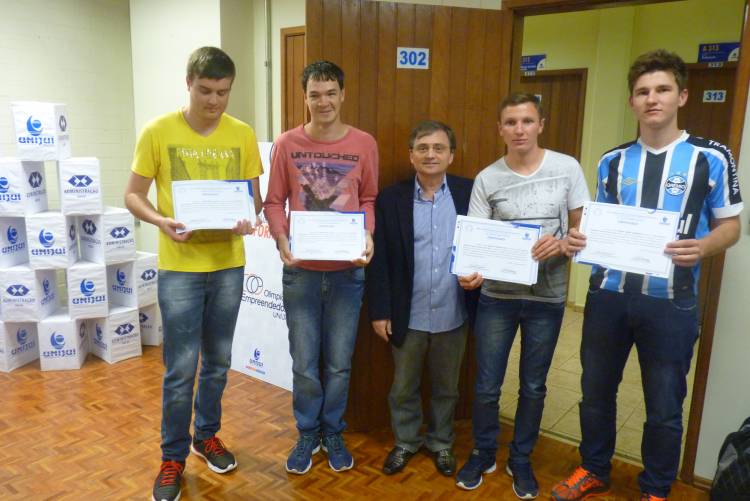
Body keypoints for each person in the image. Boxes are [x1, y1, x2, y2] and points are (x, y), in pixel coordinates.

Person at [551, 49, 742, 501]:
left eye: (662, 89)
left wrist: (704, 247)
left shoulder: (711, 157)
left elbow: (731, 225)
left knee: (664, 403)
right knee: (596, 391)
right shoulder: (612, 161)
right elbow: (598, 225)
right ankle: (593, 467)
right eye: (642, 92)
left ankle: (655, 488)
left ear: (682, 96)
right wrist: (579, 239)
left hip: (671, 302)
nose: (652, 99)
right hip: (608, 297)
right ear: (632, 102)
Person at [124, 46, 263, 501]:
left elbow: (254, 200)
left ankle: (206, 436)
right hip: (180, 269)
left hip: (228, 266)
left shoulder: (242, 134)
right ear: (189, 84)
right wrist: (160, 220)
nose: (214, 101)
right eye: (205, 90)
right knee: (180, 369)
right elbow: (132, 195)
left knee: (218, 363)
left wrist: (249, 218)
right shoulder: (158, 131)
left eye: (223, 92)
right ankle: (172, 457)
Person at [455, 93, 590, 499]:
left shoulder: (567, 169)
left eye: (527, 121)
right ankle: (483, 452)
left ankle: (521, 458)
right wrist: (471, 272)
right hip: (497, 297)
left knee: (533, 386)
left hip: (546, 300)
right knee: (486, 385)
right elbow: (477, 242)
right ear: (500, 129)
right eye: (511, 122)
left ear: (540, 125)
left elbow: (583, 233)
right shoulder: (488, 178)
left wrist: (562, 244)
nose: (519, 129)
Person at [264, 60, 378, 475]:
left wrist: (368, 234)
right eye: (315, 94)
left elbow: (369, 199)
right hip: (302, 272)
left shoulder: (364, 143)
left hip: (348, 272)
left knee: (339, 363)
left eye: (331, 93)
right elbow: (273, 201)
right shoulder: (287, 143)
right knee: (304, 363)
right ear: (305, 97)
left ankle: (333, 432)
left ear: (343, 94)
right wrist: (281, 239)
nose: (323, 101)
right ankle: (307, 432)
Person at [367, 120, 476, 477]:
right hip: (407, 313)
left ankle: (441, 442)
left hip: (453, 312)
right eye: (423, 148)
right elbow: (380, 260)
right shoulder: (391, 199)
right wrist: (380, 311)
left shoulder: (469, 193)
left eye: (439, 148)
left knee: (447, 388)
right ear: (411, 155)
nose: (431, 154)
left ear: (451, 155)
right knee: (403, 387)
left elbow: (484, 244)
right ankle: (406, 441)